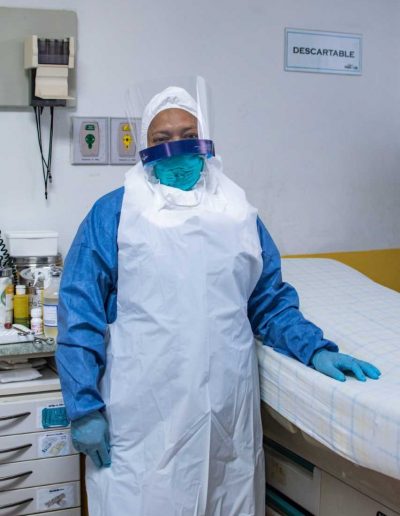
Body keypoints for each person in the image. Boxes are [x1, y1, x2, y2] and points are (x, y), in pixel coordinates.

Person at [56, 85, 381, 516]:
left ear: (206, 139)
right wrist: (83, 407)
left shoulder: (238, 214)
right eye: (161, 139)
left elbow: (269, 301)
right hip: (143, 419)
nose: (176, 148)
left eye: (188, 135)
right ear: (144, 148)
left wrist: (314, 349)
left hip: (225, 416)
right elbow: (80, 312)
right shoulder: (115, 214)